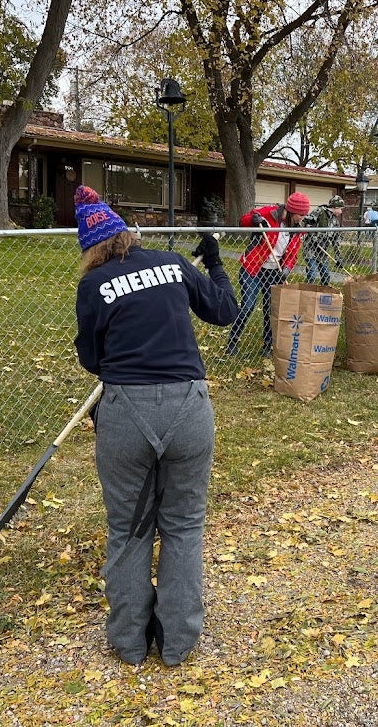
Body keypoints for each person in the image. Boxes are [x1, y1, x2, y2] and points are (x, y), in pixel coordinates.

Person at [72, 185, 239, 667]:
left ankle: (128, 641)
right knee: (184, 525)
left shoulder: (93, 285)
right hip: (190, 406)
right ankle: (177, 641)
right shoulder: (173, 264)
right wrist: (214, 262)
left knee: (127, 528)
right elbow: (225, 311)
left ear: (91, 250)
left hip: (126, 410)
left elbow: (91, 358)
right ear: (128, 235)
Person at [226, 191, 310, 356]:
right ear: (292, 210)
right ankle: (232, 341)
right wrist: (253, 220)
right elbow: (243, 221)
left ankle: (267, 346)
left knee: (270, 309)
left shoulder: (297, 229)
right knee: (248, 305)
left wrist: (286, 269)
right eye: (301, 214)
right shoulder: (269, 213)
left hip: (273, 272)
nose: (302, 218)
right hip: (253, 267)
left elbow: (293, 254)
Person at [302, 196, 344, 286]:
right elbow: (305, 222)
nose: (341, 211)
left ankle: (322, 293)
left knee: (326, 275)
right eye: (340, 208)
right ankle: (308, 291)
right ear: (335, 207)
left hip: (322, 253)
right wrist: (314, 237)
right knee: (312, 274)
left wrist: (338, 258)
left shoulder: (335, 222)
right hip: (311, 249)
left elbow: (336, 241)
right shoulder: (319, 212)